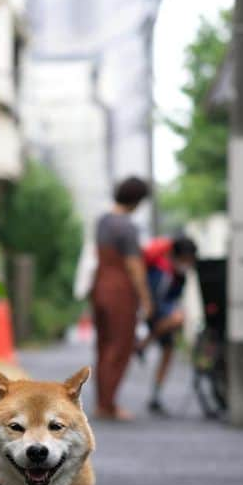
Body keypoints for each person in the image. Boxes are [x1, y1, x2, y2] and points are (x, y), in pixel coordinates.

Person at [90, 177, 153, 420]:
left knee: (103, 345)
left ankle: (103, 401)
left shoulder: (102, 221)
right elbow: (134, 265)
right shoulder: (127, 227)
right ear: (136, 200)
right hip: (120, 289)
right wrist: (146, 298)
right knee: (120, 345)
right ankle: (109, 404)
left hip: (100, 284)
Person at [138, 233, 198, 414]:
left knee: (168, 352)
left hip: (162, 317)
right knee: (178, 320)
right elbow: (155, 301)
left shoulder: (177, 273)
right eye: (186, 259)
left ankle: (156, 396)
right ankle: (143, 344)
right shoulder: (161, 272)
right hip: (156, 315)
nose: (188, 264)